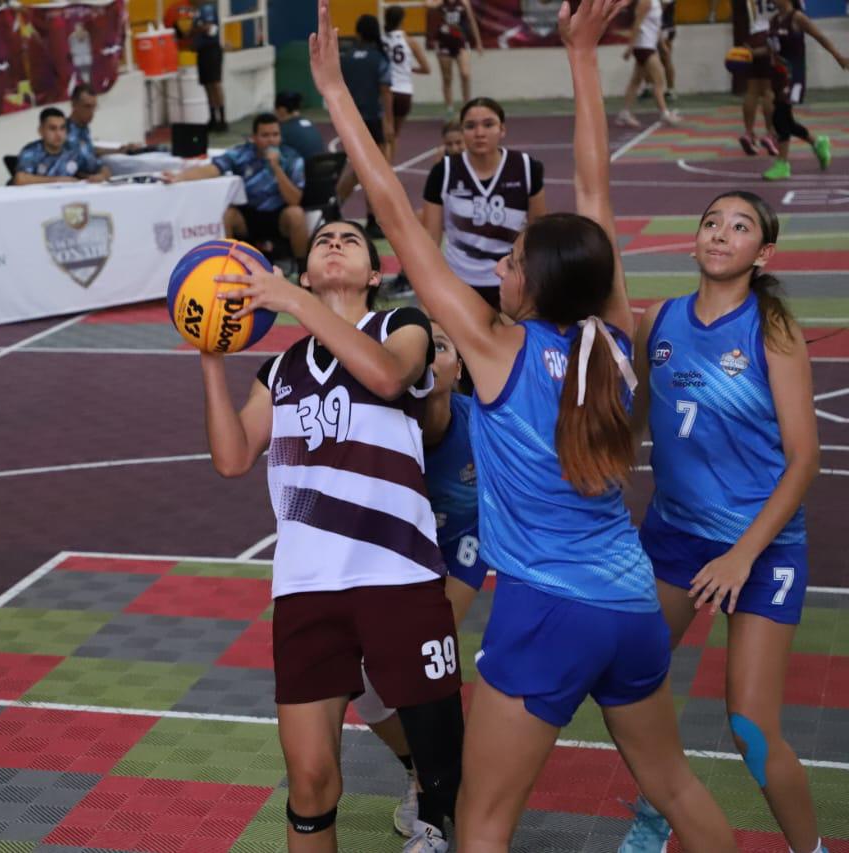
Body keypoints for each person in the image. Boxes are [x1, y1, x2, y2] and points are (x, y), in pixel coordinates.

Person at [310, 0, 740, 849]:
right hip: (630, 602)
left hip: (546, 609)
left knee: (481, 820)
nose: (499, 267)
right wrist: (582, 56)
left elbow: (393, 212)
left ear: (534, 284)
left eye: (510, 260)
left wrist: (335, 93)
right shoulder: (613, 339)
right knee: (677, 786)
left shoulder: (497, 347)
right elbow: (596, 190)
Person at [198, 219, 464, 853]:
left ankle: (438, 814)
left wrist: (293, 300)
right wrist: (208, 353)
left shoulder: (401, 327)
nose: (334, 244)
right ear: (307, 270)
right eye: (322, 241)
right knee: (311, 782)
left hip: (398, 575)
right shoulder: (279, 370)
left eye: (350, 240)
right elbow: (232, 458)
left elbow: (388, 378)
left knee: (445, 771)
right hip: (306, 585)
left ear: (374, 273)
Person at [616, 191, 825, 852]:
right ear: (695, 237)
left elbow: (805, 459)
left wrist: (741, 556)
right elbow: (635, 421)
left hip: (762, 547)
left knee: (750, 727)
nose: (721, 233)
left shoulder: (772, 331)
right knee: (630, 684)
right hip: (674, 536)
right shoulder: (659, 320)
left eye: (740, 227)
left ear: (763, 253)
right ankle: (659, 810)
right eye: (712, 222)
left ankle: (811, 849)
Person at [350, 323, 488, 839]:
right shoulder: (376, 427)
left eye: (442, 346)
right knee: (360, 677)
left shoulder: (486, 427)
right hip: (392, 554)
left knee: (422, 662)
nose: (429, 355)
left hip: (460, 551)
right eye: (418, 346)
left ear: (460, 368)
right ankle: (419, 766)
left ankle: (439, 797)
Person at [419, 97, 546, 311]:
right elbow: (430, 241)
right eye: (470, 126)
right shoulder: (443, 172)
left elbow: (539, 233)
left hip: (511, 282)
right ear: (462, 131)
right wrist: (427, 295)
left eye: (488, 124)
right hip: (459, 282)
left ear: (502, 129)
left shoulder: (526, 168)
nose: (479, 133)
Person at [166, 113, 308, 262]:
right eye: (265, 135)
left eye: (275, 135)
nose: (271, 140)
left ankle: (302, 266)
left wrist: (276, 168)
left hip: (278, 213)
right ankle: (227, 264)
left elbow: (295, 200)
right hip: (249, 213)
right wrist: (180, 177)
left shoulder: (292, 158)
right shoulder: (241, 154)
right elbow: (213, 169)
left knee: (296, 214)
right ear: (254, 137)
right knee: (228, 215)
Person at [760, 0, 847, 180]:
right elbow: (770, 50)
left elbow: (820, 37)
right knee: (787, 121)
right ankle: (818, 142)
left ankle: (782, 164)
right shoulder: (773, 20)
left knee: (779, 116)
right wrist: (749, 54)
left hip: (794, 75)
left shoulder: (797, 17)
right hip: (778, 75)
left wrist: (838, 56)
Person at [335, 15, 393, 239]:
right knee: (375, 170)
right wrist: (388, 121)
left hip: (350, 119)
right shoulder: (379, 58)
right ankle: (372, 219)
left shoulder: (347, 58)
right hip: (371, 119)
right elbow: (385, 92)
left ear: (358, 33)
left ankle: (333, 205)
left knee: (358, 168)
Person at [615, 0, 680, 128]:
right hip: (643, 46)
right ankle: (664, 113)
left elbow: (656, 26)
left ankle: (625, 113)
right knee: (659, 80)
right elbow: (637, 25)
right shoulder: (645, 2)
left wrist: (662, 45)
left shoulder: (656, 3)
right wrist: (630, 47)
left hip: (649, 45)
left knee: (636, 81)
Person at [383, 5, 431, 167]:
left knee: (384, 135)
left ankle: (383, 168)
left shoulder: (381, 41)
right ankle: (390, 168)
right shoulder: (410, 42)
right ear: (402, 20)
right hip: (404, 92)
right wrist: (409, 69)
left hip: (386, 91)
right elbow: (426, 69)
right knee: (395, 135)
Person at [14, 107, 110, 185]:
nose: (58, 134)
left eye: (62, 128)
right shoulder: (31, 151)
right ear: (41, 130)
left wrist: (102, 176)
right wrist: (58, 180)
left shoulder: (74, 149)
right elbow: (20, 179)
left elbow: (103, 168)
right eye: (52, 128)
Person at [733, 0, 779, 156]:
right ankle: (770, 134)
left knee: (751, 91)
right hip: (772, 34)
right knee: (769, 90)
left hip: (753, 35)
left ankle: (748, 133)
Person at [424, 0, 481, 115]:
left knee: (465, 74)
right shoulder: (439, 2)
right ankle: (449, 109)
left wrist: (478, 42)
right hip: (444, 43)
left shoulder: (464, 3)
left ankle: (466, 106)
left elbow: (472, 21)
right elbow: (427, 4)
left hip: (461, 42)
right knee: (447, 78)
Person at [65, 84, 142, 159]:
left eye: (94, 107)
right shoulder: (64, 131)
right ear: (74, 104)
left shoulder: (83, 127)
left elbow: (90, 149)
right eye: (87, 106)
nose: (91, 112)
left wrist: (119, 150)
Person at [193, 1, 227, 131]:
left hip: (211, 50)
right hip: (201, 50)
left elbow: (210, 29)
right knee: (207, 84)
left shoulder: (207, 9)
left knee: (215, 84)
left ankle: (222, 118)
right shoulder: (195, 12)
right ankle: (212, 117)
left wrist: (197, 29)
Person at [274, 90, 326, 162]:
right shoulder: (309, 123)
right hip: (322, 165)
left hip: (305, 167)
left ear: (282, 110)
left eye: (275, 109)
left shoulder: (283, 129)